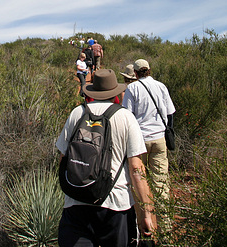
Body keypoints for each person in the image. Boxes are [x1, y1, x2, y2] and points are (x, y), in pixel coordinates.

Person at [56, 69, 156, 246]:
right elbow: (136, 169)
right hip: (115, 206)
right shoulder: (126, 117)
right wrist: (147, 213)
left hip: (76, 203)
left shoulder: (77, 113)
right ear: (116, 93)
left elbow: (63, 159)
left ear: (93, 91)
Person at [122, 59, 176, 203]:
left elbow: (127, 116)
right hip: (159, 139)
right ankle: (165, 223)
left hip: (140, 141)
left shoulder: (132, 89)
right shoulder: (161, 86)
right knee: (161, 182)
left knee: (139, 182)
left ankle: (142, 221)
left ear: (135, 72)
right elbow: (170, 113)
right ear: (149, 70)